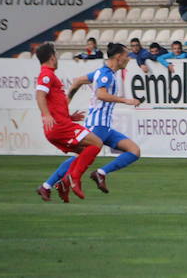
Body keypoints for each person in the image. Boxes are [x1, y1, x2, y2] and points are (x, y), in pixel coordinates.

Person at [44, 42, 144, 198]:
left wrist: (67, 102)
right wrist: (127, 101)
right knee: (80, 158)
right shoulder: (106, 75)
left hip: (104, 126)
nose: (129, 58)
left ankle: (100, 173)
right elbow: (100, 94)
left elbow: (77, 81)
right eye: (126, 55)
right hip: (97, 125)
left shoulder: (102, 72)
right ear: (118, 57)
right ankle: (49, 185)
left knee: (134, 151)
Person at [33, 43, 111, 201]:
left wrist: (68, 117)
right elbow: (40, 95)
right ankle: (74, 179)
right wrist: (46, 115)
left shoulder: (48, 74)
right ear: (52, 57)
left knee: (85, 153)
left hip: (60, 125)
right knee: (96, 143)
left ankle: (59, 185)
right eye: (56, 54)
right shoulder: (46, 74)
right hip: (60, 127)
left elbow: (52, 101)